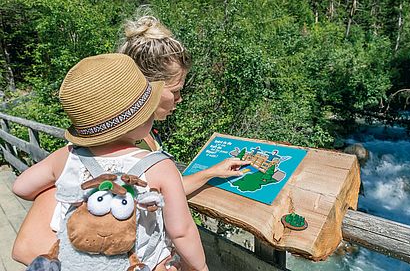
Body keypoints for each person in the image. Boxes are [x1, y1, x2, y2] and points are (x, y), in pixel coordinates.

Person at [12, 14, 249, 266]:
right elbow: (25, 247)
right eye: (175, 91)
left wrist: (210, 173)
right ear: (145, 91)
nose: (180, 100)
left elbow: (21, 187)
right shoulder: (153, 161)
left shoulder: (72, 156)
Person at [12, 53, 208, 271]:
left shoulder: (67, 156)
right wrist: (200, 267)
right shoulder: (159, 166)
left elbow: (20, 187)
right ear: (141, 118)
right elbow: (182, 231)